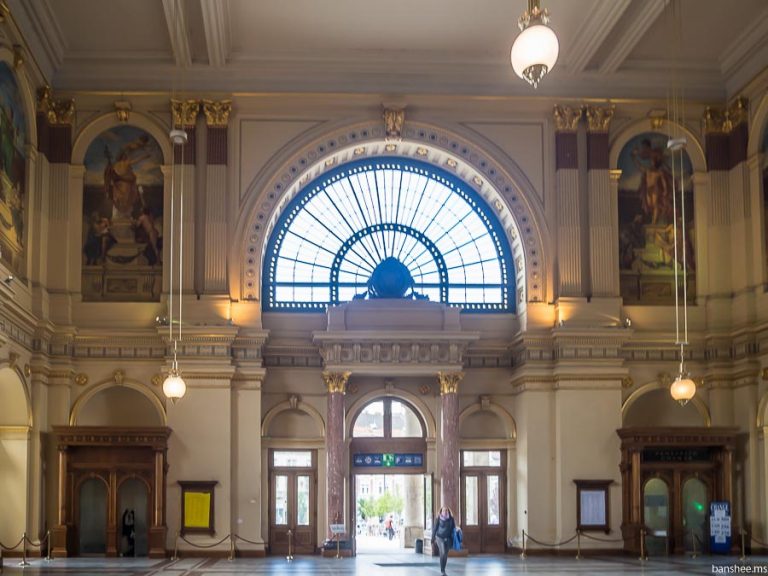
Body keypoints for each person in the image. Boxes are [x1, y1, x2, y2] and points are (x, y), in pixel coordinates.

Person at [432, 506, 456, 576]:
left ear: (448, 511)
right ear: (441, 512)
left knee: (445, 554)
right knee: (442, 552)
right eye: (443, 510)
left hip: (448, 538)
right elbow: (435, 528)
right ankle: (442, 570)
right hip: (439, 537)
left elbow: (453, 528)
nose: (445, 512)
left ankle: (443, 569)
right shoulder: (438, 518)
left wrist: (456, 531)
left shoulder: (451, 519)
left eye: (446, 510)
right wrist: (432, 538)